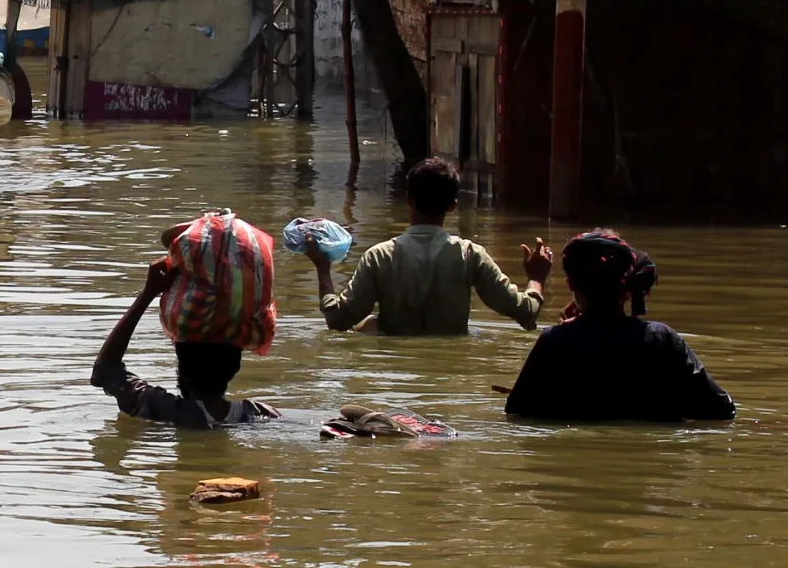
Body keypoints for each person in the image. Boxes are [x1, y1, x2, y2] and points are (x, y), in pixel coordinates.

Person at [505, 230, 734, 421]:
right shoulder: (661, 339)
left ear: (571, 284)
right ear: (627, 287)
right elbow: (723, 410)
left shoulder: (554, 342)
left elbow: (517, 414)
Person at [309, 158, 551, 337]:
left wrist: (323, 268)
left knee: (368, 325)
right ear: (453, 206)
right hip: (452, 367)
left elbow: (339, 320)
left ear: (408, 200)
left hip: (393, 370)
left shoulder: (380, 257)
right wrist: (536, 278)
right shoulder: (470, 255)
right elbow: (525, 312)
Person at [91, 222, 282, 428]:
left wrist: (147, 295)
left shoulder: (164, 410)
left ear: (181, 366)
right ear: (235, 368)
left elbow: (104, 370)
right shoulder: (257, 414)